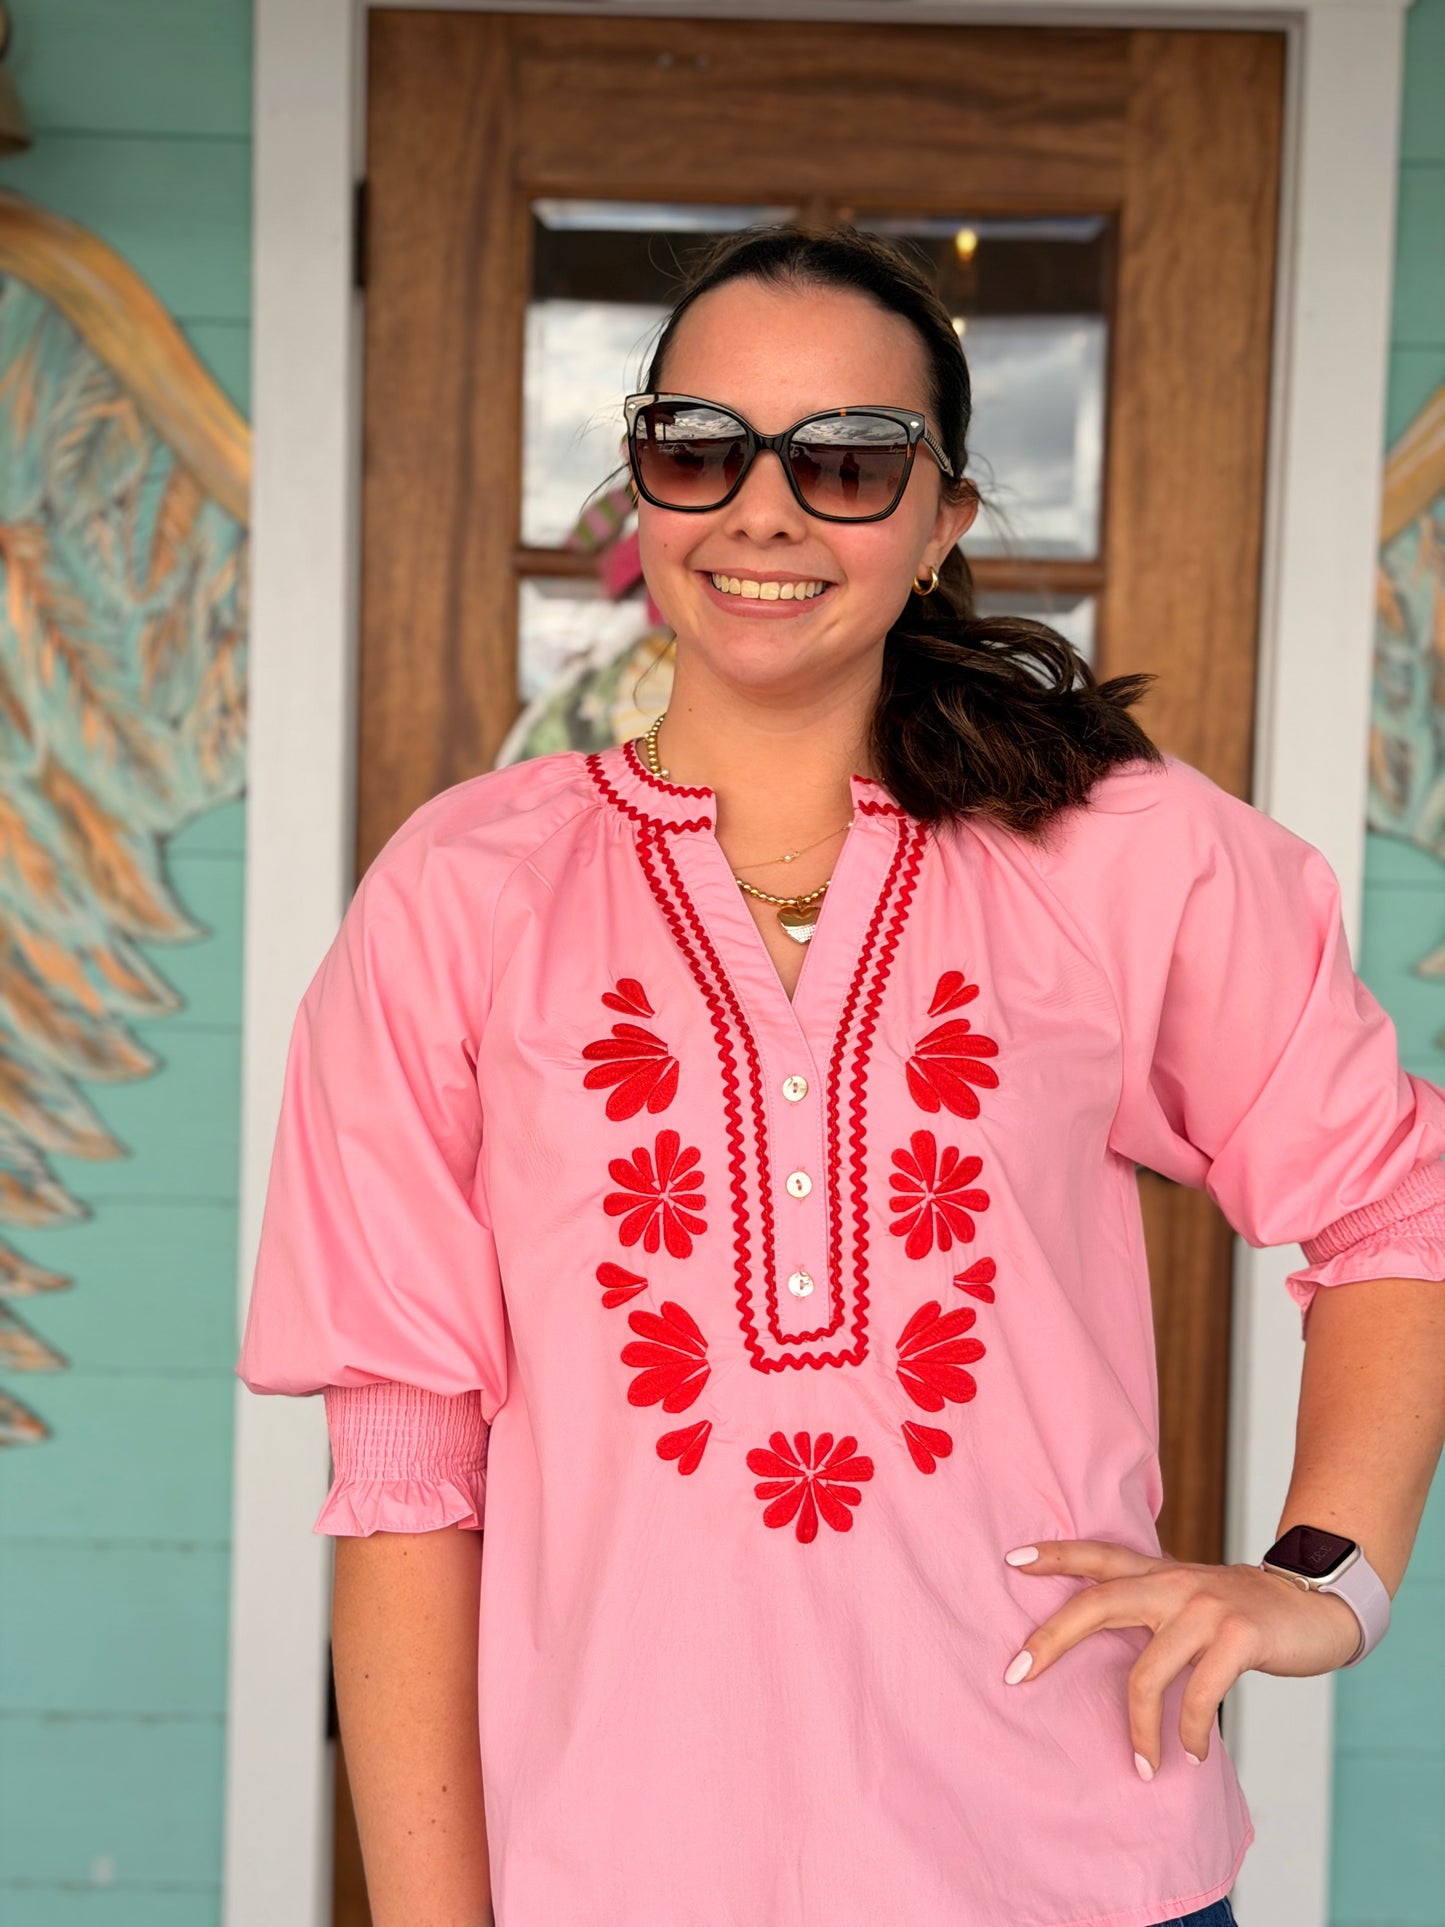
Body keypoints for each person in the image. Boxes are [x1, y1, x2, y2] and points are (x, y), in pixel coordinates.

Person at [235, 224, 1445, 1927]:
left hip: (1074, 1873)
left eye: (849, 461)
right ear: (641, 488)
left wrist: (1322, 1577)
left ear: (942, 518)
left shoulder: (1110, 854)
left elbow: (1396, 1203)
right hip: (621, 1880)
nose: (764, 510)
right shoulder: (462, 892)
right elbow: (403, 1472)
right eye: (699, 448)